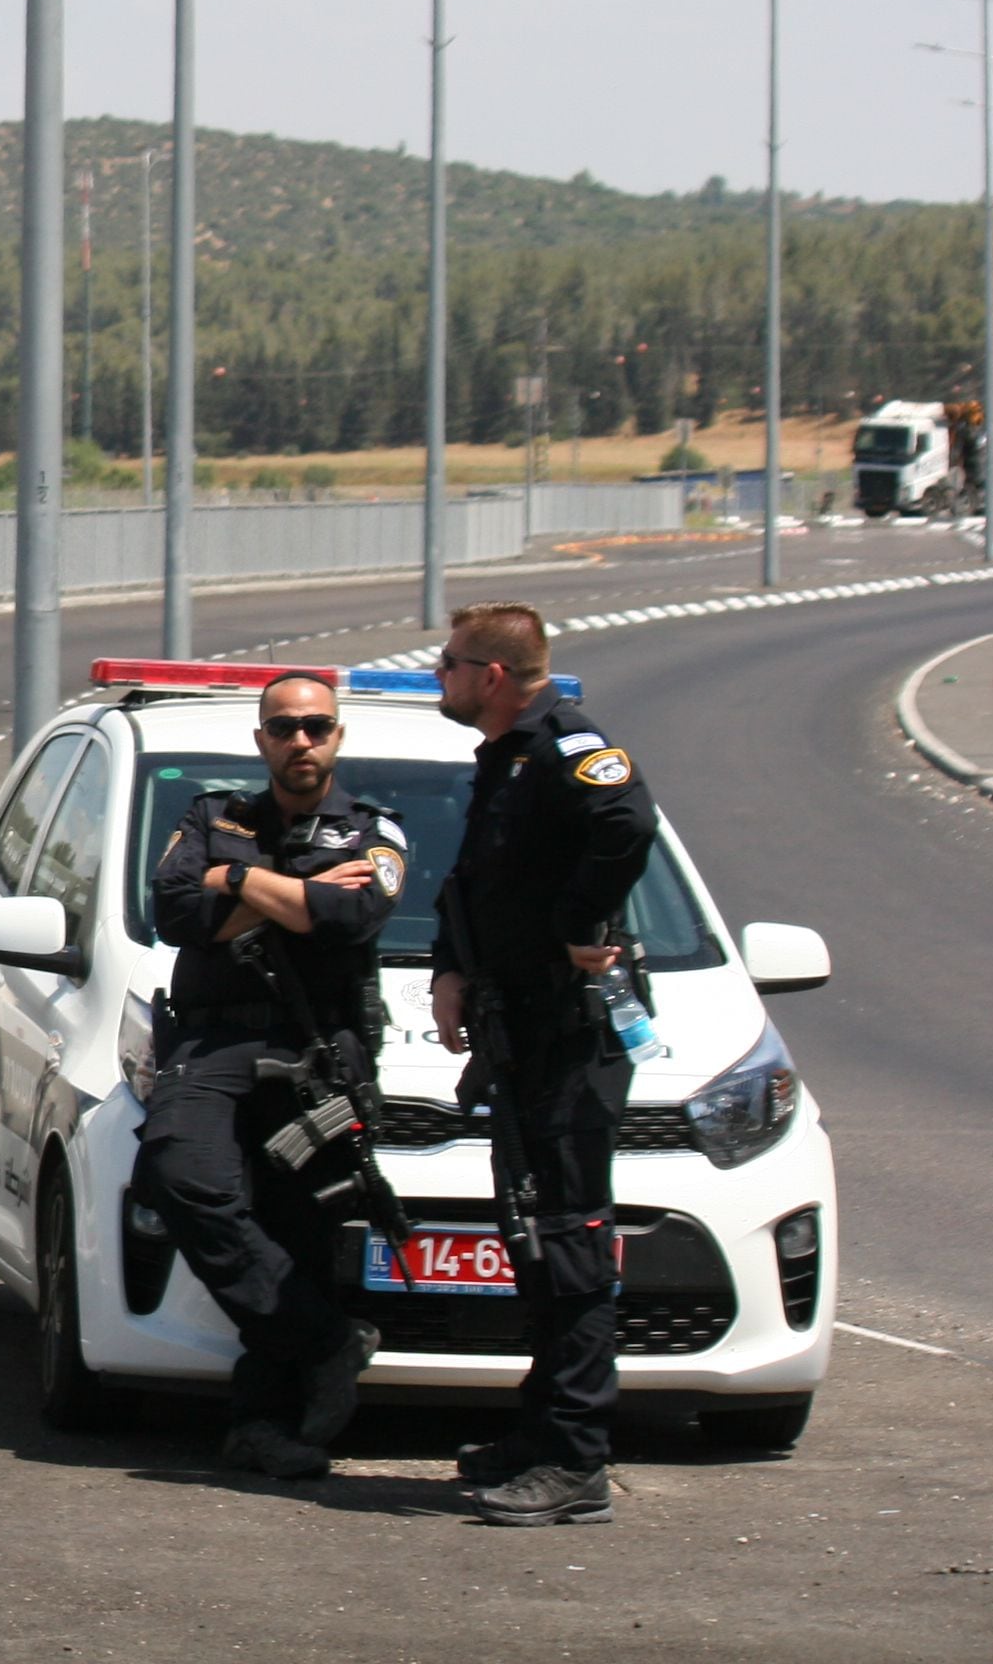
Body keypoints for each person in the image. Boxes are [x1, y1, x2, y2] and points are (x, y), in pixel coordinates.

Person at [134, 670, 406, 1480]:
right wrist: (289, 889)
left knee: (297, 1231)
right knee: (180, 1174)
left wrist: (237, 884)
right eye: (284, 728)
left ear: (337, 736)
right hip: (215, 1043)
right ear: (262, 740)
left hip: (316, 1052)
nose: (300, 742)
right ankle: (326, 1341)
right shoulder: (214, 815)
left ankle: (265, 1425)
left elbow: (352, 915)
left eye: (316, 727)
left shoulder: (372, 828)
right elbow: (174, 911)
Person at [429, 600, 658, 1528]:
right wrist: (452, 968)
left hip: (568, 1038)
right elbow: (482, 878)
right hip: (519, 1033)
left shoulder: (568, 743)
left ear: (491, 675)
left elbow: (627, 827)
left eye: (448, 664)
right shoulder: (509, 757)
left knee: (567, 1243)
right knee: (534, 1237)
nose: (440, 677)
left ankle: (576, 1459)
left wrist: (578, 928)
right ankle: (540, 1430)